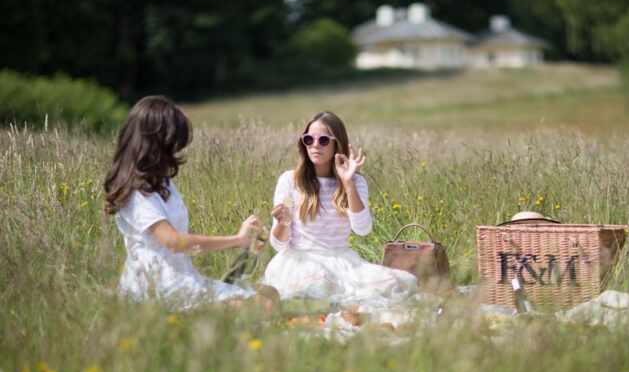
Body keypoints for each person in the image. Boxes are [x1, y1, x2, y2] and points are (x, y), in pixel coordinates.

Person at [104, 95, 277, 311]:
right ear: (156, 145)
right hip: (158, 288)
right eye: (173, 145)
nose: (176, 152)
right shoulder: (136, 194)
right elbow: (174, 242)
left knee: (270, 294)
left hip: (182, 278)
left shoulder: (162, 182)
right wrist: (237, 240)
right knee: (263, 306)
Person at [261, 111, 416, 309]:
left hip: (342, 261)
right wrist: (283, 223)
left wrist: (348, 183)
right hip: (299, 260)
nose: (315, 145)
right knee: (318, 286)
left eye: (323, 140)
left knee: (398, 283)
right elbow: (278, 245)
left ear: (337, 144)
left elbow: (363, 229)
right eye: (309, 139)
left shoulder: (356, 181)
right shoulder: (290, 180)